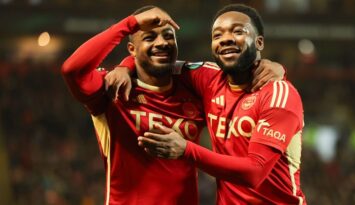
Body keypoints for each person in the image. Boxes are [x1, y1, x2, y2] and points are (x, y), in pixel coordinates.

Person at [62, 5, 284, 205]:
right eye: (149, 38)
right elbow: (72, 70)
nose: (162, 43)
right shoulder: (112, 89)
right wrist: (129, 24)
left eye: (169, 36)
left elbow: (241, 71)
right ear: (132, 49)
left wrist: (269, 66)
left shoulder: (194, 83)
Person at [136, 4, 306, 205]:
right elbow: (154, 61)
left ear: (259, 42)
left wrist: (186, 150)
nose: (225, 38)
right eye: (217, 35)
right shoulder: (209, 79)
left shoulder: (279, 94)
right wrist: (124, 66)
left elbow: (254, 172)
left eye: (237, 31)